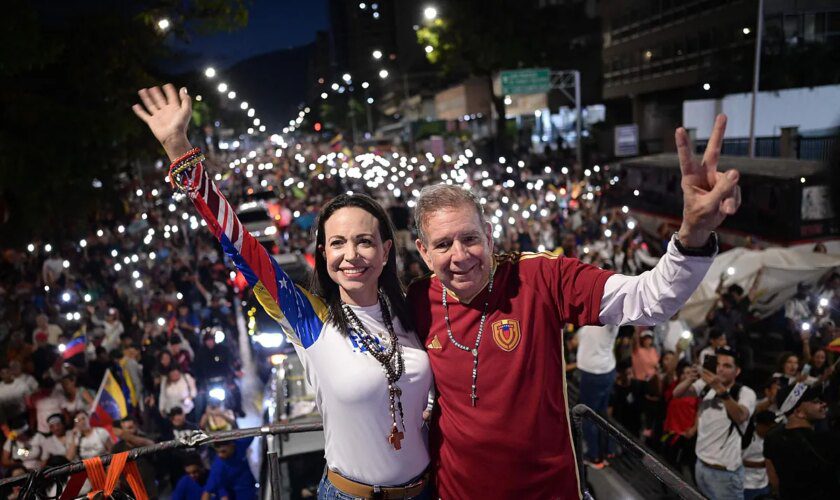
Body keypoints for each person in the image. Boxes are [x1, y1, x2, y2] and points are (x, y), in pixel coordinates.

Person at [407, 114, 741, 498]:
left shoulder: (541, 277)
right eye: (443, 244)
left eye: (470, 238)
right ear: (424, 252)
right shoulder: (417, 300)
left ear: (490, 236)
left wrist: (694, 233)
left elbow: (648, 301)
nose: (460, 255)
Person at [133, 84, 433, 498]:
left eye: (364, 242)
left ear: (385, 251)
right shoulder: (310, 319)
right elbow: (241, 247)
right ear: (323, 253)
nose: (352, 255)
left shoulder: (418, 309)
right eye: (338, 243)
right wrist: (180, 149)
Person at [672, 346, 756, 500]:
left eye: (727, 366)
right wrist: (690, 378)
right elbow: (677, 393)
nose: (721, 369)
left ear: (737, 371)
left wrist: (720, 389)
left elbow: (741, 416)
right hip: (701, 465)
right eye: (718, 365)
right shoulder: (704, 386)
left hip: (724, 474)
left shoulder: (745, 392)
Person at [764, 383, 840, 499]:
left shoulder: (772, 436)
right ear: (798, 411)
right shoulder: (825, 441)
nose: (823, 404)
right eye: (815, 401)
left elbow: (774, 481)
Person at [575, 324, 620, 468]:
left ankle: (594, 456)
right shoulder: (592, 323)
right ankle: (608, 449)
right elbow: (577, 339)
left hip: (595, 375)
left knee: (588, 416)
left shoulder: (609, 321)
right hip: (603, 371)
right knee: (601, 413)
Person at [112, 416, 158, 499]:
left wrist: (123, 434)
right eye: (127, 428)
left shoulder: (147, 438)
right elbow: (112, 470)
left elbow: (151, 445)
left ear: (137, 426)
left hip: (148, 489)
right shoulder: (117, 448)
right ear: (122, 427)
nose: (129, 430)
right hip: (128, 491)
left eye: (131, 427)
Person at [742, 410, 775, 500]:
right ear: (761, 425)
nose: (770, 430)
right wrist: (760, 464)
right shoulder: (746, 439)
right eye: (768, 427)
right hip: (747, 485)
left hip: (764, 484)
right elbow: (734, 460)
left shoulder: (771, 438)